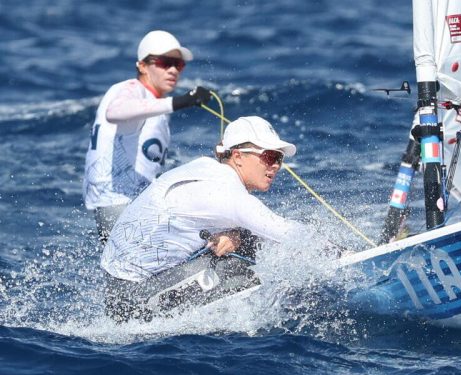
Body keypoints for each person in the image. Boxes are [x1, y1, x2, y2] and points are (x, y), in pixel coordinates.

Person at [100, 116, 312, 320]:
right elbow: (292, 236)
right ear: (237, 156)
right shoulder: (228, 194)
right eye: (269, 157)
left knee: (241, 247)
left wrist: (236, 235)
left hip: (114, 284)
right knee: (240, 269)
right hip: (130, 300)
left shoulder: (205, 167)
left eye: (279, 159)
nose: (275, 165)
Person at [83, 30, 212, 244]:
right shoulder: (130, 89)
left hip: (135, 206)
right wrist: (180, 102)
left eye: (178, 64)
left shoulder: (153, 103)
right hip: (118, 205)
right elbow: (115, 112)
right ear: (142, 65)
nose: (173, 70)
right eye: (164, 62)